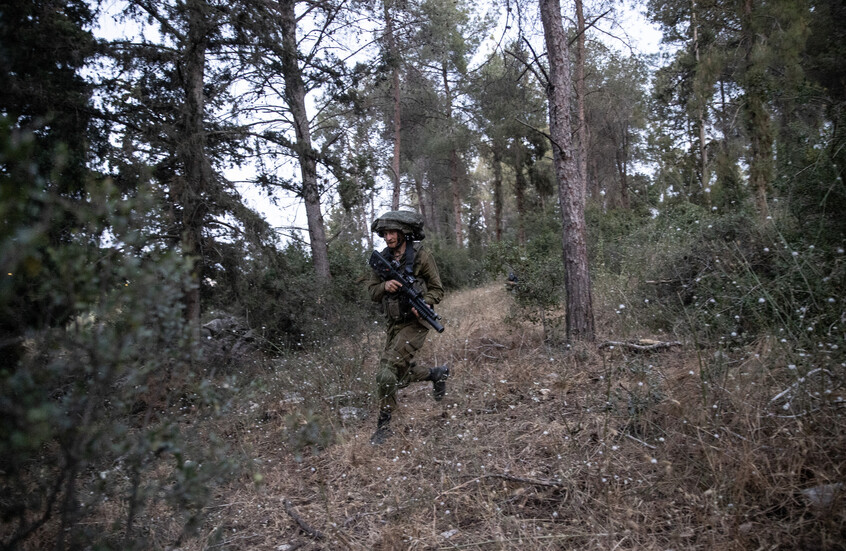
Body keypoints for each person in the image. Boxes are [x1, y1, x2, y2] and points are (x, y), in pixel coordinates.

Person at [367, 211, 448, 445]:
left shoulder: (422, 256)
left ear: (404, 234)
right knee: (397, 378)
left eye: (393, 233)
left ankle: (384, 426)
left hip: (415, 323)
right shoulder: (382, 259)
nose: (388, 237)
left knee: (385, 373)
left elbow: (437, 289)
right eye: (385, 233)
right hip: (393, 324)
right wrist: (385, 285)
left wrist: (427, 302)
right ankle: (436, 374)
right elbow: (372, 292)